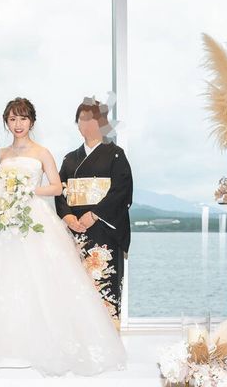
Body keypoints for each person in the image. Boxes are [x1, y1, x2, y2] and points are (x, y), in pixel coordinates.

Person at [0, 98, 126, 376]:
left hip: (33, 218)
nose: (18, 124)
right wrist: (1, 193)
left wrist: (26, 191)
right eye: (13, 119)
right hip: (1, 218)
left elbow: (56, 187)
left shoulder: (42, 153)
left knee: (38, 279)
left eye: (23, 118)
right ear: (6, 122)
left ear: (32, 121)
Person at [55, 97, 133, 329]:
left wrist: (95, 214)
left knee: (105, 285)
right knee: (76, 289)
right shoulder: (70, 159)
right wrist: (67, 216)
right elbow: (59, 190)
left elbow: (122, 190)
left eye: (92, 119)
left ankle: (109, 337)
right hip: (75, 230)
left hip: (103, 230)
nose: (86, 124)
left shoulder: (116, 154)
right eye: (81, 119)